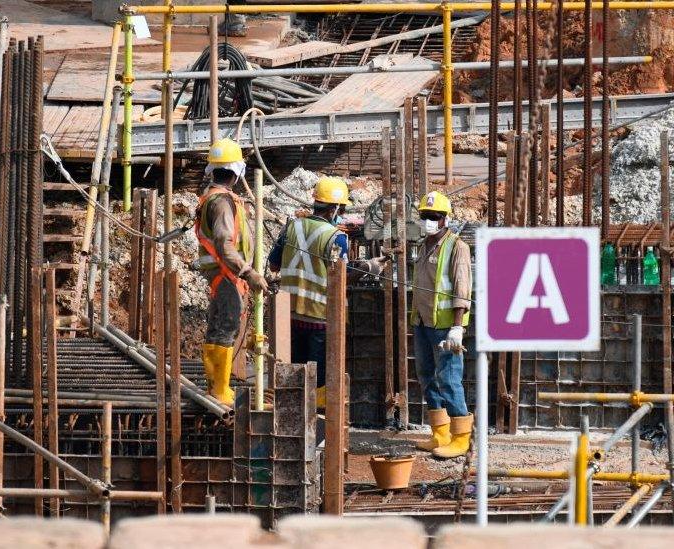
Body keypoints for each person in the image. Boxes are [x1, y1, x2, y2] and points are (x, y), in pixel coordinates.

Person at [267, 176, 389, 408]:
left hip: (289, 316)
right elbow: (340, 276)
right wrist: (370, 267)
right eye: (340, 209)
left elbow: (274, 265)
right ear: (334, 208)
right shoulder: (336, 237)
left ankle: (295, 418)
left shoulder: (291, 227)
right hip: (320, 319)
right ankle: (320, 427)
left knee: (295, 376)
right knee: (320, 380)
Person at [195, 138, 268, 406]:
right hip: (227, 274)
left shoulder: (214, 198)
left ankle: (217, 387)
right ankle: (220, 390)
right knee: (225, 328)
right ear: (237, 172)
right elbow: (225, 244)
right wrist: (248, 273)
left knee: (219, 328)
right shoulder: (222, 202)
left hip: (224, 274)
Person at [410, 191, 473, 459]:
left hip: (446, 326)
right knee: (426, 377)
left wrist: (457, 328)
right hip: (423, 323)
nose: (428, 221)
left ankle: (461, 437)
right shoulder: (424, 245)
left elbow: (461, 289)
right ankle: (440, 433)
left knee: (448, 379)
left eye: (433, 217)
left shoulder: (457, 246)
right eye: (425, 216)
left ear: (445, 219)